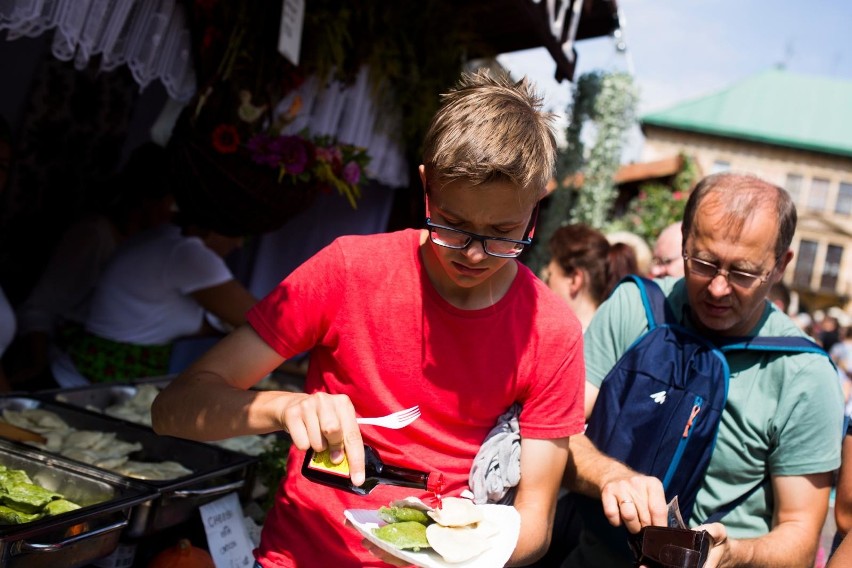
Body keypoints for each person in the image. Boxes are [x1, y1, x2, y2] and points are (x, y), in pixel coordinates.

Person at [151, 70, 585, 567]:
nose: (474, 254)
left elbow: (535, 523)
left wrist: (465, 557)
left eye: (504, 233)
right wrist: (281, 408)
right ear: (427, 185)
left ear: (537, 205)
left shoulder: (552, 331)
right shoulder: (348, 270)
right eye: (453, 224)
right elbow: (174, 409)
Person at [563, 172, 844, 568]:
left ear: (781, 266)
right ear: (683, 242)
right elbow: (556, 433)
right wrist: (608, 475)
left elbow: (800, 536)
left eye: (743, 272)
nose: (717, 288)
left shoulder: (804, 375)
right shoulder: (634, 307)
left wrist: (734, 555)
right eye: (703, 263)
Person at [11, 142, 175, 389]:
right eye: (170, 203)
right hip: (63, 370)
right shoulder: (95, 236)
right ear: (146, 198)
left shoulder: (154, 249)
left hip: (101, 380)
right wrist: (38, 366)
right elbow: (39, 308)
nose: (174, 214)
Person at [53, 209, 258, 385]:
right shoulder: (186, 253)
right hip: (91, 379)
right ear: (214, 229)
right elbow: (265, 323)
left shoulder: (163, 238)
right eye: (238, 233)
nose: (239, 244)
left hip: (91, 371)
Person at [544, 223, 638, 331]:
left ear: (575, 280)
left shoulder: (562, 340)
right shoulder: (604, 338)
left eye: (549, 276)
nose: (543, 285)